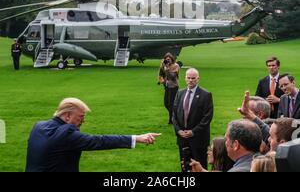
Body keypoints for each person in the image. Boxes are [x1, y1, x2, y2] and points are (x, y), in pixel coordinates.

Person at [25, 98, 161, 172]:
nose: (83, 121)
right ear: (67, 116)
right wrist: (137, 138)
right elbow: (100, 141)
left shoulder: (38, 126)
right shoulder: (66, 134)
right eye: (81, 117)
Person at [172, 68, 213, 170]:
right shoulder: (180, 93)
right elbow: (174, 115)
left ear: (198, 79)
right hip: (182, 139)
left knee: (200, 167)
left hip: (198, 140)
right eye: (188, 78)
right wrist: (179, 131)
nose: (190, 80)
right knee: (185, 166)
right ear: (185, 78)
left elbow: (207, 118)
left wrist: (193, 132)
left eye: (193, 78)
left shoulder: (206, 95)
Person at [158, 53, 180, 124]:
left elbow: (172, 76)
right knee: (166, 104)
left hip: (174, 86)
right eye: (166, 60)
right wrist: (161, 80)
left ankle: (171, 120)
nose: (168, 61)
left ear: (172, 59)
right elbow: (161, 74)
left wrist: (167, 69)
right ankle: (175, 115)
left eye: (169, 59)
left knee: (171, 104)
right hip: (167, 86)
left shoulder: (176, 66)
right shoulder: (164, 65)